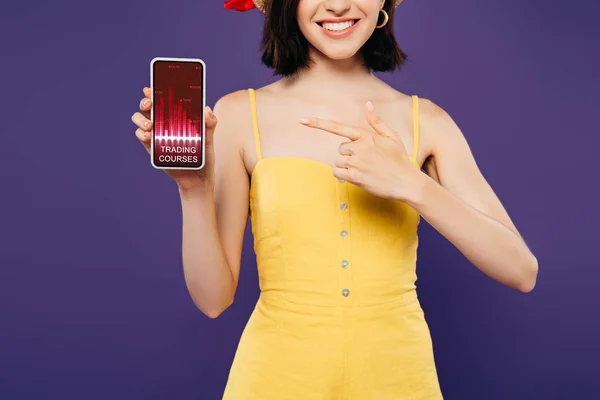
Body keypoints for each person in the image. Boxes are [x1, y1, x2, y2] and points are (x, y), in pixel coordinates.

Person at [130, 0, 538, 398]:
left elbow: (521, 270)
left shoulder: (427, 121)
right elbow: (213, 299)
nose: (338, 5)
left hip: (401, 380)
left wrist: (412, 184)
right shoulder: (239, 114)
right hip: (273, 381)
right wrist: (193, 189)